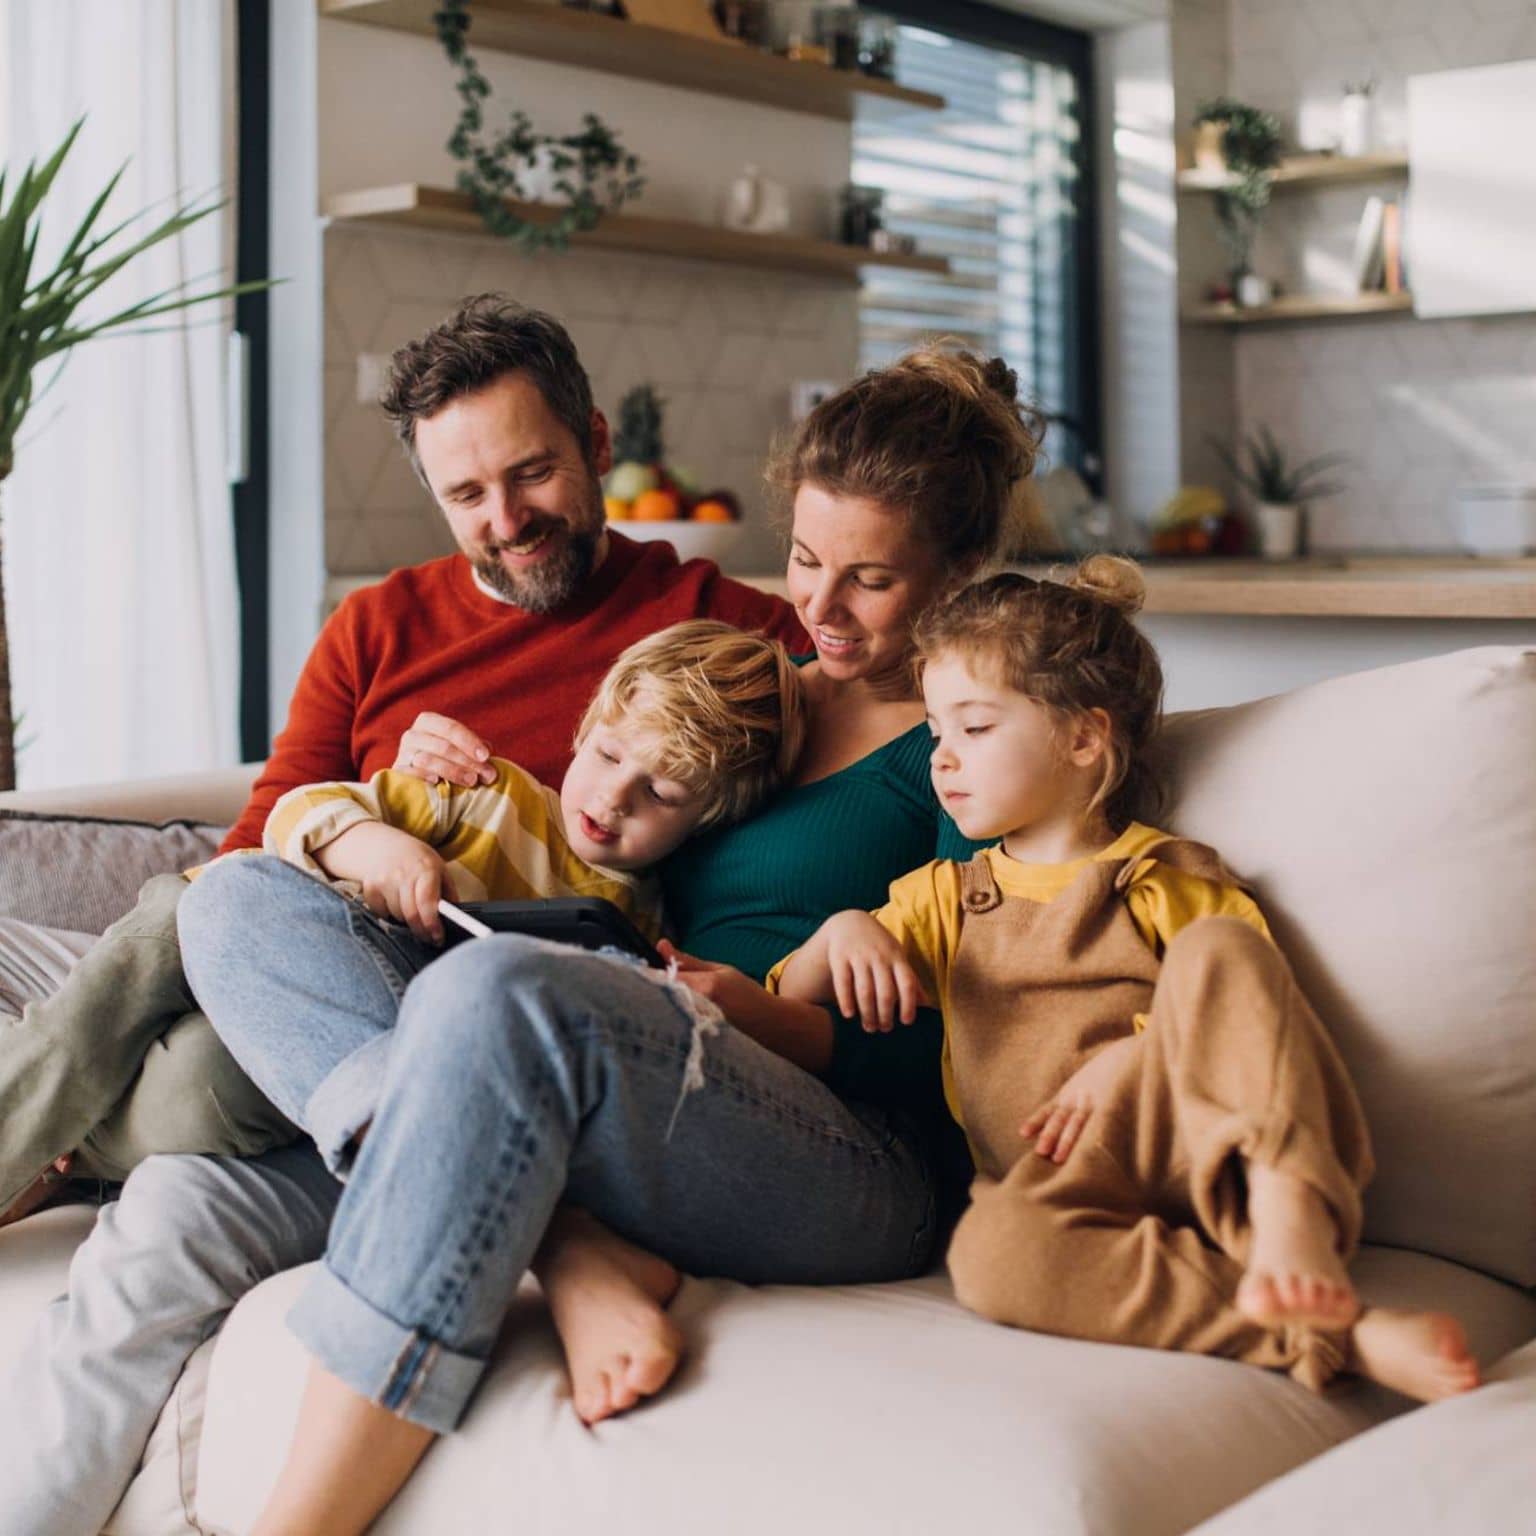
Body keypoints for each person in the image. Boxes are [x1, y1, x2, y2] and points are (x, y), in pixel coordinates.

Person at [0, 336, 1040, 1536]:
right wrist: (413, 811)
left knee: (493, 989)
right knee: (209, 1022)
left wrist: (795, 1001)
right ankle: (565, 1234)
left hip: (813, 1127)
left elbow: (993, 1038)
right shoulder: (747, 678)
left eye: (871, 579)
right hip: (538, 1055)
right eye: (805, 559)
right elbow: (512, 845)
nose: (817, 606)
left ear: (960, 573)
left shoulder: (973, 738)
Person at [0, 296, 800, 1228]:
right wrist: (372, 827)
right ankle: (52, 1122)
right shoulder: (376, 627)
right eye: (466, 496)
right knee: (175, 911)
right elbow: (260, 840)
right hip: (288, 934)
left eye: (532, 473)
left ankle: (61, 1134)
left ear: (593, 441)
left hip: (436, 1007)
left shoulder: (727, 633)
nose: (506, 520)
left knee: (206, 1085)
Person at [771, 560, 1482, 1405]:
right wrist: (841, 930)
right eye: (936, 733)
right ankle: (1336, 1334)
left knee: (1220, 946)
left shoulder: (1160, 874)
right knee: (989, 1257)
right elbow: (792, 995)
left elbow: (1253, 1010)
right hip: (1062, 1189)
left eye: (976, 728)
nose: (943, 760)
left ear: (1082, 738)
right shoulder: (946, 899)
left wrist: (1136, 1060)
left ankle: (1295, 1206)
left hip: (1205, 1154)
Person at [234, 619, 804, 1178]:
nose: (612, 798)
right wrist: (379, 851)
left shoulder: (653, 924)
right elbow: (294, 815)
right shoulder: (488, 794)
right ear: (584, 730)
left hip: (444, 1059)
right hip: (327, 964)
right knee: (205, 912)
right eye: (608, 756)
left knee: (196, 1104)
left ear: (707, 821)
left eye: (658, 792)